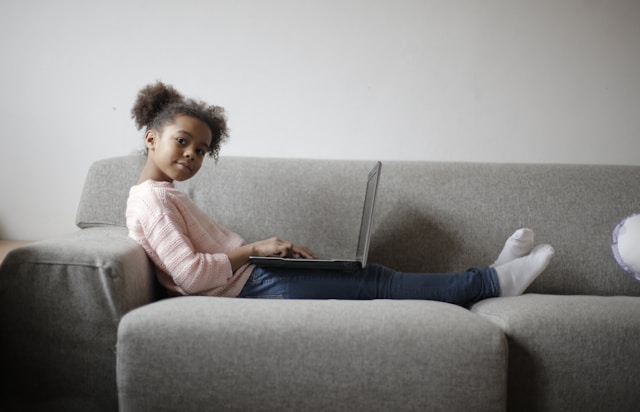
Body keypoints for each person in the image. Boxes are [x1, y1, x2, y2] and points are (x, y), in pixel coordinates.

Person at [126, 81, 555, 306]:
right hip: (252, 286)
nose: (191, 155)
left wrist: (268, 252)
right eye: (182, 142)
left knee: (373, 276)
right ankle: (491, 281)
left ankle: (492, 276)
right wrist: (256, 249)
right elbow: (192, 276)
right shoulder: (152, 199)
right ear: (150, 139)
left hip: (255, 275)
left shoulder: (161, 194)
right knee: (379, 283)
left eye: (201, 150)